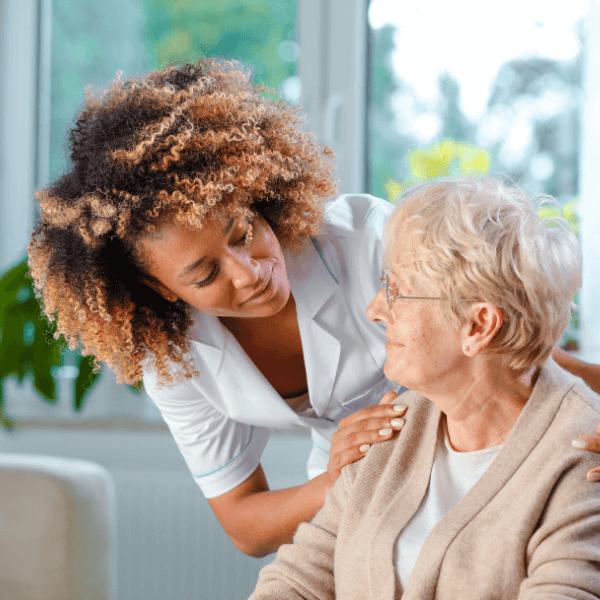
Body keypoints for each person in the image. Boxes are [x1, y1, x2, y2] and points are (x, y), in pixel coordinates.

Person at [27, 59, 600, 558]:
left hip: (480, 448)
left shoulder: (366, 241)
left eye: (243, 231)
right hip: (357, 482)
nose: (249, 273)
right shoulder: (176, 359)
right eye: (205, 274)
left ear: (253, 193)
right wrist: (334, 481)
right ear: (162, 291)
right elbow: (246, 526)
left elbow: (516, 350)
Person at [249, 176, 600, 599]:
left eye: (397, 290)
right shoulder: (392, 426)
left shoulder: (581, 458)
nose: (375, 309)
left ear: (478, 325)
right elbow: (298, 579)